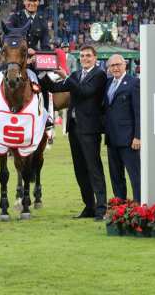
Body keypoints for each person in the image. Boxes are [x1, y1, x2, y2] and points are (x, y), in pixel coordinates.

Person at [41, 45, 108, 220]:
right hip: (74, 127)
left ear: (95, 58)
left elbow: (85, 91)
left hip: (90, 129)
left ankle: (101, 208)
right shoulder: (77, 75)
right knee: (80, 170)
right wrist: (41, 72)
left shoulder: (99, 75)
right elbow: (55, 88)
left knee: (94, 168)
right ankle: (89, 206)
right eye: (82, 56)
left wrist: (67, 77)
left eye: (88, 56)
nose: (84, 58)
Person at [104, 54, 141, 203]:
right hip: (112, 138)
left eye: (118, 64)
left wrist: (138, 136)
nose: (116, 68)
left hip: (129, 139)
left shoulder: (134, 83)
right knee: (116, 176)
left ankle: (139, 205)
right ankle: (120, 206)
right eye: (112, 65)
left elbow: (139, 112)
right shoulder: (107, 84)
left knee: (135, 175)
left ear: (125, 65)